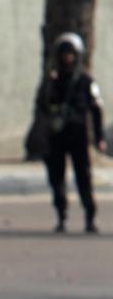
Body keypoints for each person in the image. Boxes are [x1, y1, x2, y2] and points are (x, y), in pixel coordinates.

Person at [35, 33, 106, 234]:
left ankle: (90, 216)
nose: (68, 58)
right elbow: (41, 105)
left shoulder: (85, 80)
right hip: (57, 135)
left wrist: (99, 137)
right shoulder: (52, 80)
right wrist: (49, 85)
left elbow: (96, 109)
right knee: (57, 178)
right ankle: (61, 215)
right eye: (64, 54)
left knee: (83, 176)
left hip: (78, 134)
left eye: (71, 54)